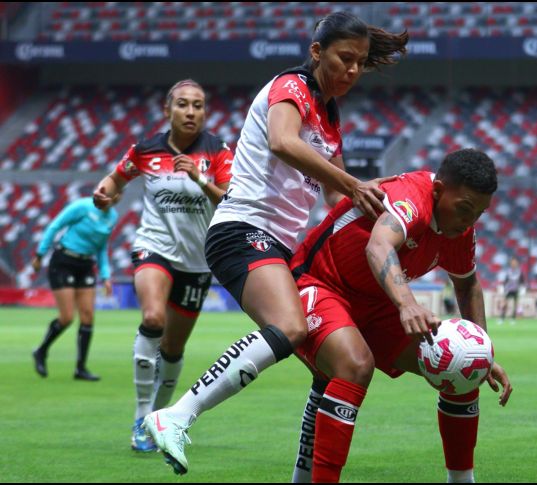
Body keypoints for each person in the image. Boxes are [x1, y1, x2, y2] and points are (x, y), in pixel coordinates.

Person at [142, 12, 409, 475]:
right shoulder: (292, 86)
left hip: (279, 248)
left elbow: (333, 194)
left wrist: (382, 199)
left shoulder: (330, 117)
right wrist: (351, 183)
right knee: (291, 327)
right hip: (241, 231)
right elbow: (283, 142)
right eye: (344, 58)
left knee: (335, 367)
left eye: (360, 63)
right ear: (315, 52)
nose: (352, 70)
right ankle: (175, 414)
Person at [287, 149, 513, 483]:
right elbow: (378, 246)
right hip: (319, 284)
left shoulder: (460, 233)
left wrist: (484, 350)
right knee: (355, 366)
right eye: (464, 209)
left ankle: (462, 480)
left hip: (377, 306)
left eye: (479, 214)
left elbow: (467, 287)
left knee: (464, 366)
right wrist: (407, 303)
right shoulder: (413, 199)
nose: (469, 222)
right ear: (438, 191)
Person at [92, 79, 233, 452]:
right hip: (153, 247)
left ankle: (158, 416)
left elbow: (229, 201)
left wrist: (199, 178)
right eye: (183, 104)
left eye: (198, 105)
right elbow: (115, 179)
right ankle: (140, 418)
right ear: (167, 109)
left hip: (197, 260)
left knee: (172, 348)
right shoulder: (146, 150)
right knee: (153, 319)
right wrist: (104, 193)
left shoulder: (217, 151)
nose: (191, 112)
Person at [31, 195, 119, 382]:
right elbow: (55, 226)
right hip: (64, 261)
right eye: (114, 191)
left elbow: (102, 247)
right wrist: (40, 254)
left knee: (88, 316)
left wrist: (105, 276)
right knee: (67, 317)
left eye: (119, 193)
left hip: (86, 265)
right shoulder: (83, 206)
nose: (116, 196)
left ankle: (80, 368)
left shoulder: (113, 216)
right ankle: (41, 351)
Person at [498, 256, 525, 323]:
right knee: (505, 304)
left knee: (515, 304)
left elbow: (522, 281)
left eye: (515, 262)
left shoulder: (519, 272)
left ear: (517, 263)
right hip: (508, 289)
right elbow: (505, 281)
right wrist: (503, 287)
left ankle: (513, 318)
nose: (513, 263)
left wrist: (523, 288)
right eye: (512, 262)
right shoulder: (508, 271)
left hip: (516, 290)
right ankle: (502, 318)